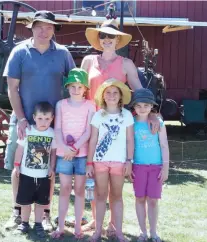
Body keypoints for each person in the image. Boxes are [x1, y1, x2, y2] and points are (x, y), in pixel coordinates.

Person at [81, 19, 160, 235]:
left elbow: (140, 91)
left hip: (116, 127)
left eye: (111, 36)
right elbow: (80, 90)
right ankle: (96, 222)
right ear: (99, 40)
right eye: (103, 36)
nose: (107, 40)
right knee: (96, 183)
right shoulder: (88, 61)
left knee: (114, 185)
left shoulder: (126, 64)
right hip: (93, 123)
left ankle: (113, 225)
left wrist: (152, 112)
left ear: (118, 40)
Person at [3, 10, 75, 231]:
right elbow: (12, 89)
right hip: (24, 121)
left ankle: (45, 213)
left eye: (49, 27)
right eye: (40, 27)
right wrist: (23, 119)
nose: (44, 32)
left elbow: (74, 86)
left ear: (54, 29)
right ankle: (17, 212)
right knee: (18, 168)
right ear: (31, 28)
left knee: (48, 170)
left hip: (53, 124)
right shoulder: (19, 52)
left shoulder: (63, 54)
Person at [86, 79, 134, 242]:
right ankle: (98, 231)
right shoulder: (98, 115)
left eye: (115, 93)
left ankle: (118, 231)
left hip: (119, 162)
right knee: (101, 195)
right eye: (108, 92)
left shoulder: (126, 115)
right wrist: (89, 162)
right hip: (100, 161)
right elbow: (93, 140)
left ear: (120, 96)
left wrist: (129, 160)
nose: (112, 96)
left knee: (117, 195)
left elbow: (129, 140)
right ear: (103, 96)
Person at [51, 68, 96, 239]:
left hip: (81, 154)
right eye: (73, 86)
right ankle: (60, 226)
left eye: (80, 87)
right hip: (64, 154)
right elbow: (58, 128)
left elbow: (88, 131)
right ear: (68, 87)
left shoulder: (90, 106)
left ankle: (78, 227)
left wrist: (75, 147)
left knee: (79, 190)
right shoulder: (61, 104)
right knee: (64, 189)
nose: (76, 90)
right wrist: (64, 147)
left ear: (85, 88)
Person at [129, 89, 169, 242]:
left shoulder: (158, 122)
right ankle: (142, 231)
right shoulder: (131, 124)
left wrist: (165, 168)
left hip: (156, 167)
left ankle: (153, 232)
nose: (142, 108)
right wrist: (130, 164)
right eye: (138, 105)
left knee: (153, 200)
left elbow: (164, 145)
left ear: (152, 106)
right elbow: (129, 145)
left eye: (146, 105)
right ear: (134, 107)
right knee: (140, 198)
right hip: (138, 167)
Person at [14, 101, 56, 238]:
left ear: (52, 119)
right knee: (26, 202)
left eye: (47, 119)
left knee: (40, 202)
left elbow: (53, 153)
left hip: (43, 175)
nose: (43, 122)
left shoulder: (52, 133)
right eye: (40, 118)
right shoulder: (28, 131)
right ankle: (24, 223)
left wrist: (51, 167)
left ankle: (38, 223)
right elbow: (20, 149)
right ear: (33, 117)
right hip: (27, 173)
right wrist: (17, 165)